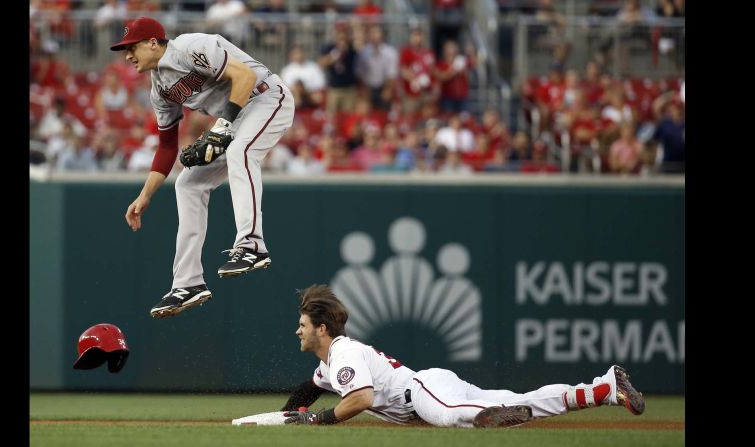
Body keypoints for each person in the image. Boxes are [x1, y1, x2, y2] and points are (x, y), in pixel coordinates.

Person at [112, 17, 294, 318]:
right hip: (236, 118)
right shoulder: (159, 89)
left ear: (153, 42)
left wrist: (222, 126)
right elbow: (167, 146)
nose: (128, 55)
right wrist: (145, 196)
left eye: (132, 47)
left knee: (240, 152)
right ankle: (188, 283)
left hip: (266, 97)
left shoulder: (190, 47)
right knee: (187, 183)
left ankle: (252, 245)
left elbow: (245, 77)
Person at [281, 284, 645, 428]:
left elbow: (360, 398)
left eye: (302, 324)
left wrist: (318, 420)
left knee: (449, 418)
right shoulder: (332, 363)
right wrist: (286, 417)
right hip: (435, 383)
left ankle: (490, 416)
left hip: (422, 392)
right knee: (526, 402)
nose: (298, 330)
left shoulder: (343, 353)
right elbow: (307, 390)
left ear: (322, 329)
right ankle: (605, 389)